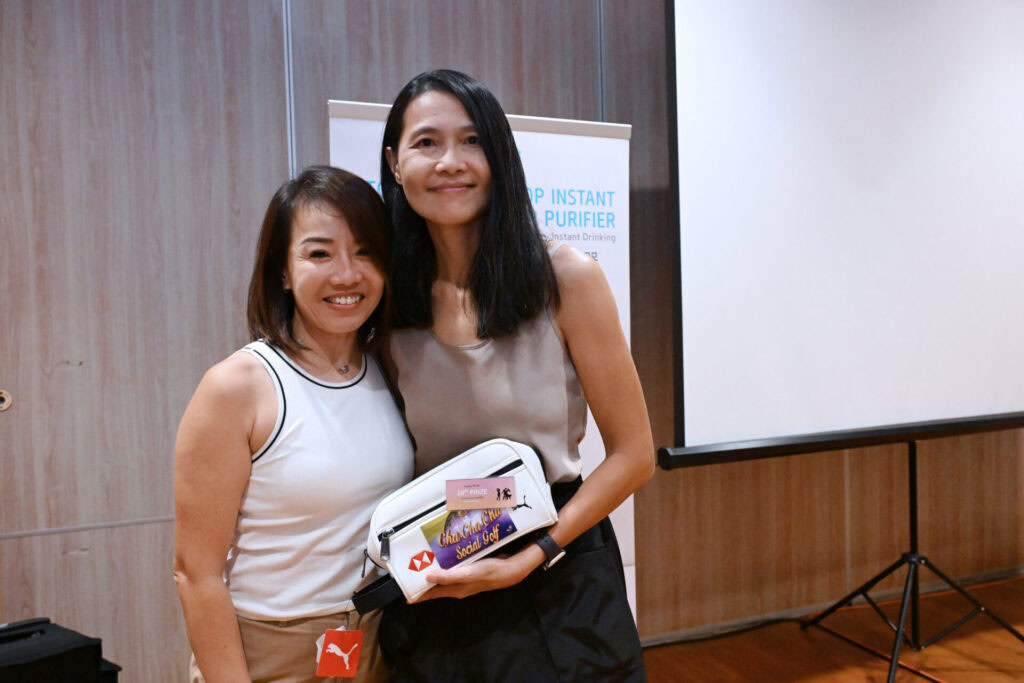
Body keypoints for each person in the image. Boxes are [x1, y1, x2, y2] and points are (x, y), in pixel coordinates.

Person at [378, 69, 654, 681]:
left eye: (472, 140)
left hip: (559, 566)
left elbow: (635, 455)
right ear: (395, 164)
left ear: (499, 156)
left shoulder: (566, 277)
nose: (450, 161)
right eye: (427, 143)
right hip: (444, 556)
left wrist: (536, 554)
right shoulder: (390, 301)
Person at [173, 167, 413, 683]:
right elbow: (196, 574)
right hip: (270, 649)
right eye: (319, 254)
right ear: (282, 272)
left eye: (365, 252)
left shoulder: (390, 370)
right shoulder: (238, 386)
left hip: (375, 639)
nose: (347, 275)